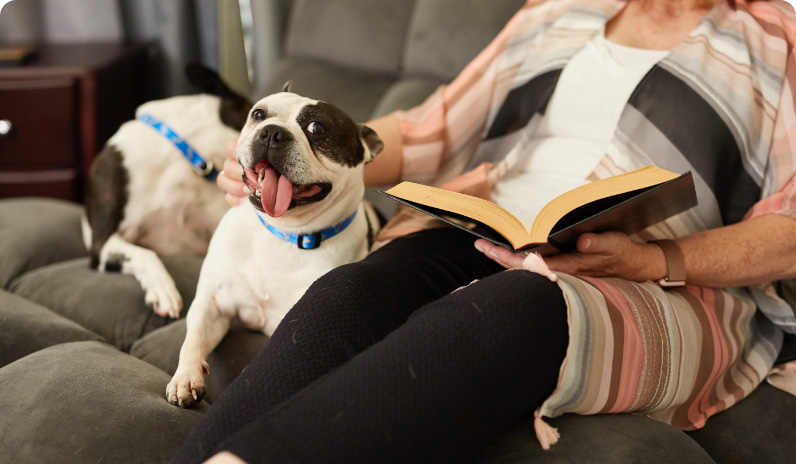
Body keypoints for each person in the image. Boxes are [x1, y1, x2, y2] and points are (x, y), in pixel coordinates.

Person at [175, 0, 796, 462]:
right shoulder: (557, 11)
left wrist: (654, 258)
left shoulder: (779, 43)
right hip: (486, 220)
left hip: (645, 270)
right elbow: (430, 127)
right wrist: (293, 156)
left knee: (508, 308)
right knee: (347, 293)